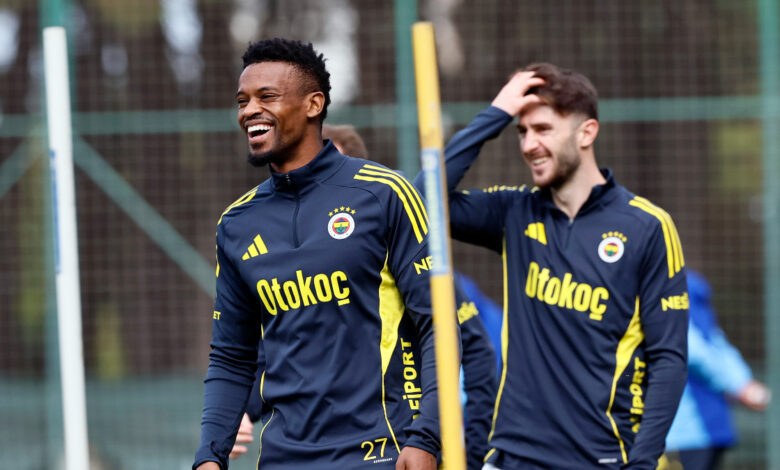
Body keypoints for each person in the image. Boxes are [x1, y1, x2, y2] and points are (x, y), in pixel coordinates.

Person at [415, 63, 689, 469]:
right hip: (511, 458)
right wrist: (496, 114)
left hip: (600, 459)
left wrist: (642, 463)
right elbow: (420, 203)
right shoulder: (514, 211)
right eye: (522, 131)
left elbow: (669, 360)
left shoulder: (647, 226)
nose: (529, 145)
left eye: (543, 129)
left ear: (586, 133)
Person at [193, 38, 442, 470]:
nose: (249, 111)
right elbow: (232, 356)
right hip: (284, 459)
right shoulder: (236, 223)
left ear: (314, 104)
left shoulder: (385, 193)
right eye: (243, 101)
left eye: (267, 96)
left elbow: (437, 324)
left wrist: (427, 437)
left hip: (382, 453)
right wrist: (209, 457)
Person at [229, 123, 499, 470]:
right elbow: (272, 359)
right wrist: (241, 410)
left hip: (393, 449)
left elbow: (475, 353)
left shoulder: (409, 256)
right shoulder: (297, 277)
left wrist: (471, 455)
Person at [661, 270, 771, 470]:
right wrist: (740, 383)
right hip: (690, 430)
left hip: (694, 430)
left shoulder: (677, 286)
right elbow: (700, 347)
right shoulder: (676, 284)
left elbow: (703, 345)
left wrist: (740, 384)